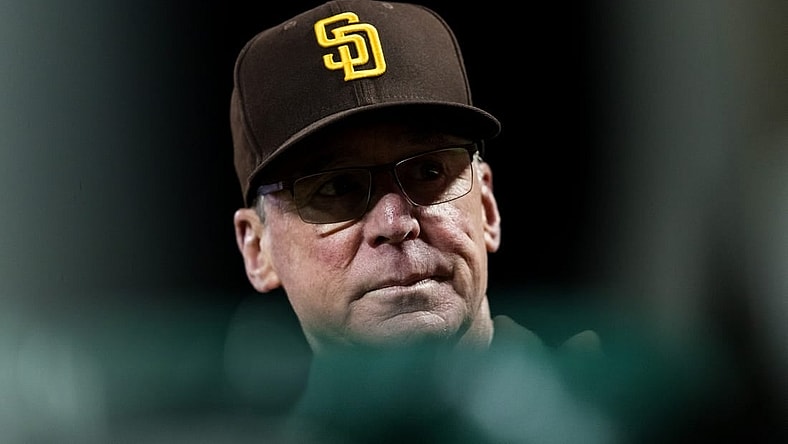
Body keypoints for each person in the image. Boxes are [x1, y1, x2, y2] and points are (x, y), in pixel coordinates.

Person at [226, 1, 619, 442]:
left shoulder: (615, 417)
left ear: (487, 207)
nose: (395, 223)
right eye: (336, 188)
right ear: (257, 249)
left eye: (429, 172)